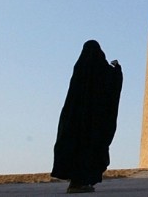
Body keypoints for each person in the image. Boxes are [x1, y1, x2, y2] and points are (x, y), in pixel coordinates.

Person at [52, 40, 123, 193]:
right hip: (93, 125)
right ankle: (79, 183)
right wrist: (117, 69)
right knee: (89, 150)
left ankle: (75, 183)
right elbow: (111, 86)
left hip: (74, 123)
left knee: (75, 149)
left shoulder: (80, 69)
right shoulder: (101, 69)